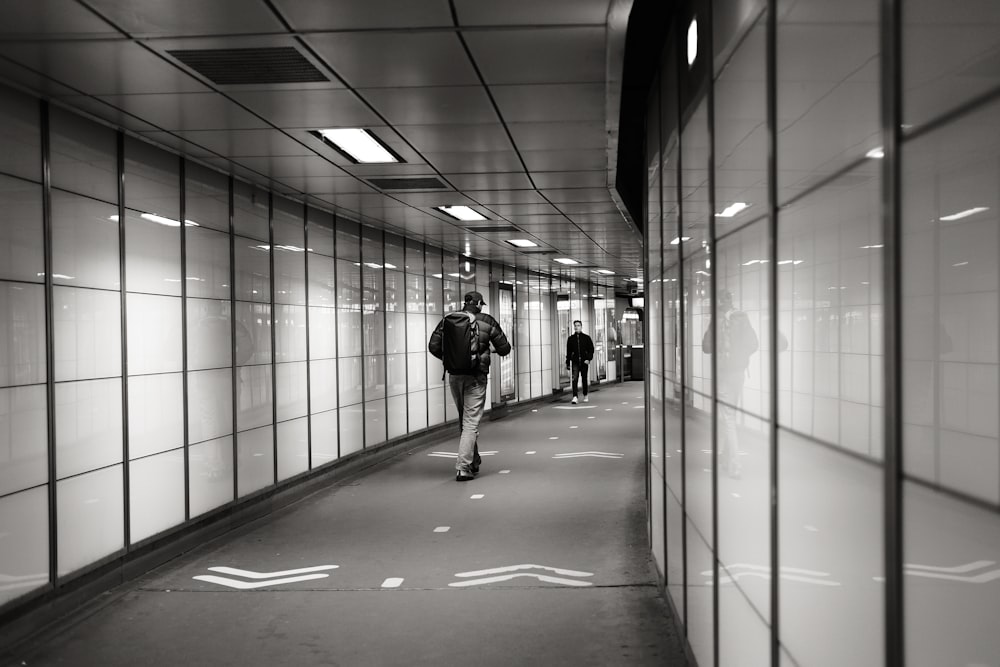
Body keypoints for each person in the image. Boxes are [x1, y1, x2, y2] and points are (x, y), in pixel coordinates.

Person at [429, 291, 511, 481]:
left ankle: (473, 461)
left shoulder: (449, 320)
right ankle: (463, 467)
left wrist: (450, 359)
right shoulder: (487, 321)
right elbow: (505, 348)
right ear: (480, 304)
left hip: (455, 376)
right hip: (476, 376)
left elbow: (433, 346)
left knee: (465, 420)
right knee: (471, 422)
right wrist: (487, 349)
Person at [702, 290, 758, 479]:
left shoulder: (717, 320)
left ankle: (735, 464)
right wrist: (739, 356)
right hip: (739, 373)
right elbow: (754, 344)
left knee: (728, 419)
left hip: (724, 373)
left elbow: (706, 346)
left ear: (719, 303)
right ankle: (726, 458)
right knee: (730, 416)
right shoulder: (742, 317)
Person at [565, 319, 595, 404]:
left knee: (584, 379)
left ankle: (585, 394)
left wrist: (588, 359)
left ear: (581, 327)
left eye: (578, 325)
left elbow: (591, 349)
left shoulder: (586, 338)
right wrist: (568, 362)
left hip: (584, 361)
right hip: (575, 362)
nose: (576, 327)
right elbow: (568, 351)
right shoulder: (571, 339)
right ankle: (575, 396)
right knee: (575, 379)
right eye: (575, 325)